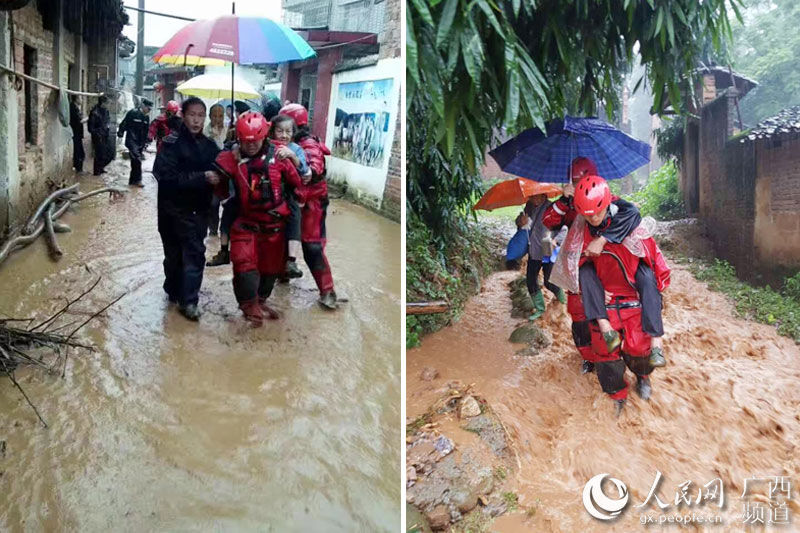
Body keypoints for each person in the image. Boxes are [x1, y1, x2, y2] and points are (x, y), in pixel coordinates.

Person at [571, 175, 671, 415]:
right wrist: (591, 293)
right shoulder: (579, 234)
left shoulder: (632, 227)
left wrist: (654, 298)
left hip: (632, 297)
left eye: (597, 212)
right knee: (605, 354)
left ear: (608, 203)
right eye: (587, 214)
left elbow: (655, 269)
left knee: (640, 348)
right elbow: (572, 271)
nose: (593, 218)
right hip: (603, 301)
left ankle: (643, 377)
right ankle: (617, 394)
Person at [211, 111, 303, 326]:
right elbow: (218, 180)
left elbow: (297, 184)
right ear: (239, 139)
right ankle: (248, 307)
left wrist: (297, 201)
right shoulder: (231, 157)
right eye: (246, 141)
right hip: (246, 223)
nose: (251, 146)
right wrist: (225, 198)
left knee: (270, 272)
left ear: (265, 136)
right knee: (245, 268)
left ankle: (259, 301)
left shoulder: (280, 155)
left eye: (255, 141)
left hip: (274, 226)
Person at [152, 97, 220, 321]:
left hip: (198, 212)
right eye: (192, 114)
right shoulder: (170, 144)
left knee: (195, 255)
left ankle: (189, 301)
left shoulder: (211, 147)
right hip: (171, 212)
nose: (196, 120)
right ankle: (173, 289)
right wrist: (201, 177)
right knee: (173, 257)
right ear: (183, 115)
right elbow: (163, 175)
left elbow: (222, 173)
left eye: (201, 115)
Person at [280, 103, 338, 309]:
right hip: (292, 201)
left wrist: (303, 171)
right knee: (281, 239)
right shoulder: (287, 144)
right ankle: (283, 276)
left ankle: (328, 291)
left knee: (312, 246)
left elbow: (313, 170)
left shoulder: (308, 146)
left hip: (312, 203)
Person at [268, 112, 311, 280]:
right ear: (272, 132)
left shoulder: (296, 149)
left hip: (289, 194)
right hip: (269, 194)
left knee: (295, 219)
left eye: (288, 131)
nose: (284, 135)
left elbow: (304, 171)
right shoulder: (267, 146)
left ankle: (291, 260)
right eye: (280, 131)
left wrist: (291, 156)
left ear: (293, 133)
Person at [515, 194, 566, 321]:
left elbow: (565, 228)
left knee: (548, 282)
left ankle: (563, 301)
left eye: (538, 197)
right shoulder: (529, 207)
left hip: (548, 251)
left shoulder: (553, 208)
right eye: (532, 197)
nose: (535, 200)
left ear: (544, 195)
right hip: (534, 251)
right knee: (531, 281)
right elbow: (522, 226)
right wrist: (520, 221)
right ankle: (540, 309)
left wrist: (556, 241)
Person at [204, 103, 230, 237]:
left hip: (227, 174)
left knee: (229, 205)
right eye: (214, 115)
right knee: (213, 204)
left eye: (221, 115)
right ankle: (213, 231)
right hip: (212, 173)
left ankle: (225, 231)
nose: (218, 119)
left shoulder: (229, 131)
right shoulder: (205, 133)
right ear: (209, 116)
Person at [118, 97, 152, 187]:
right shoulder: (133, 113)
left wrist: (147, 142)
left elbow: (146, 131)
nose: (149, 110)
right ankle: (138, 180)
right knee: (137, 159)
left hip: (140, 142)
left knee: (134, 161)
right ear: (143, 106)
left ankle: (132, 181)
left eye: (150, 109)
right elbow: (124, 123)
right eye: (148, 108)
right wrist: (120, 133)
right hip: (131, 140)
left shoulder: (146, 117)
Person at [88, 95, 111, 176]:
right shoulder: (95, 112)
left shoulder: (106, 111)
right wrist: (98, 133)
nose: (109, 105)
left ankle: (101, 168)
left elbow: (107, 122)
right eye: (107, 103)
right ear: (103, 103)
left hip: (105, 135)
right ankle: (97, 171)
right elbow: (90, 128)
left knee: (108, 153)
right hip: (98, 136)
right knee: (99, 154)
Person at [69, 95, 86, 173]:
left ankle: (79, 169)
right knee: (78, 152)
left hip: (77, 133)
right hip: (75, 133)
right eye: (80, 98)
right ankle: (78, 169)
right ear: (76, 99)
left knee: (79, 152)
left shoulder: (76, 108)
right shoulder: (73, 108)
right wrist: (87, 119)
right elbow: (78, 120)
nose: (81, 100)